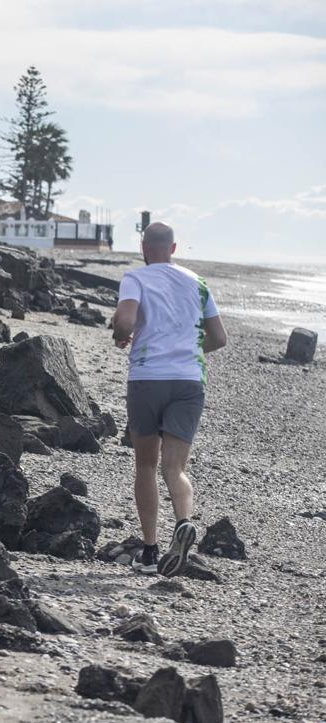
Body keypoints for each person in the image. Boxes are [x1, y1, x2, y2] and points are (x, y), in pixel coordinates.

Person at [111, 222, 228, 576]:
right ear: (173, 248)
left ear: (144, 247)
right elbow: (219, 338)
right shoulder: (198, 283)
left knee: (146, 465)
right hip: (188, 381)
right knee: (175, 468)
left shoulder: (135, 278)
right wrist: (191, 354)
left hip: (148, 379)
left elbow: (126, 323)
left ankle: (149, 552)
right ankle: (184, 522)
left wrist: (119, 332)